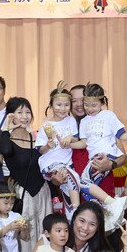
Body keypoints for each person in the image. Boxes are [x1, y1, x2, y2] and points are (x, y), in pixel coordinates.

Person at [0, 96, 52, 252]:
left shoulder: (38, 136)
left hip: (42, 192)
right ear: (11, 115)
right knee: (25, 238)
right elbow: (6, 150)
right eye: (20, 112)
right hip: (22, 194)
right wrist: (6, 128)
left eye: (28, 112)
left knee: (45, 234)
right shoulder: (4, 137)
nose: (25, 116)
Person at [79, 83, 127, 189]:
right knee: (88, 182)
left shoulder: (108, 115)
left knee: (85, 181)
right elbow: (84, 143)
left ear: (102, 103)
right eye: (86, 105)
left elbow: (120, 133)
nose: (89, 109)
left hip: (107, 155)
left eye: (94, 105)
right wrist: (69, 144)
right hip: (93, 159)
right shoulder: (84, 121)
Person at [36, 83, 85, 211]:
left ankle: (71, 212)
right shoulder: (46, 125)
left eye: (66, 105)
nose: (62, 109)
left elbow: (76, 138)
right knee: (74, 177)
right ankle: (77, 209)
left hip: (66, 163)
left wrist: (69, 138)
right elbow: (40, 150)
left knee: (69, 188)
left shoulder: (70, 120)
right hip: (51, 164)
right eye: (58, 105)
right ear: (51, 105)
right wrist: (48, 146)